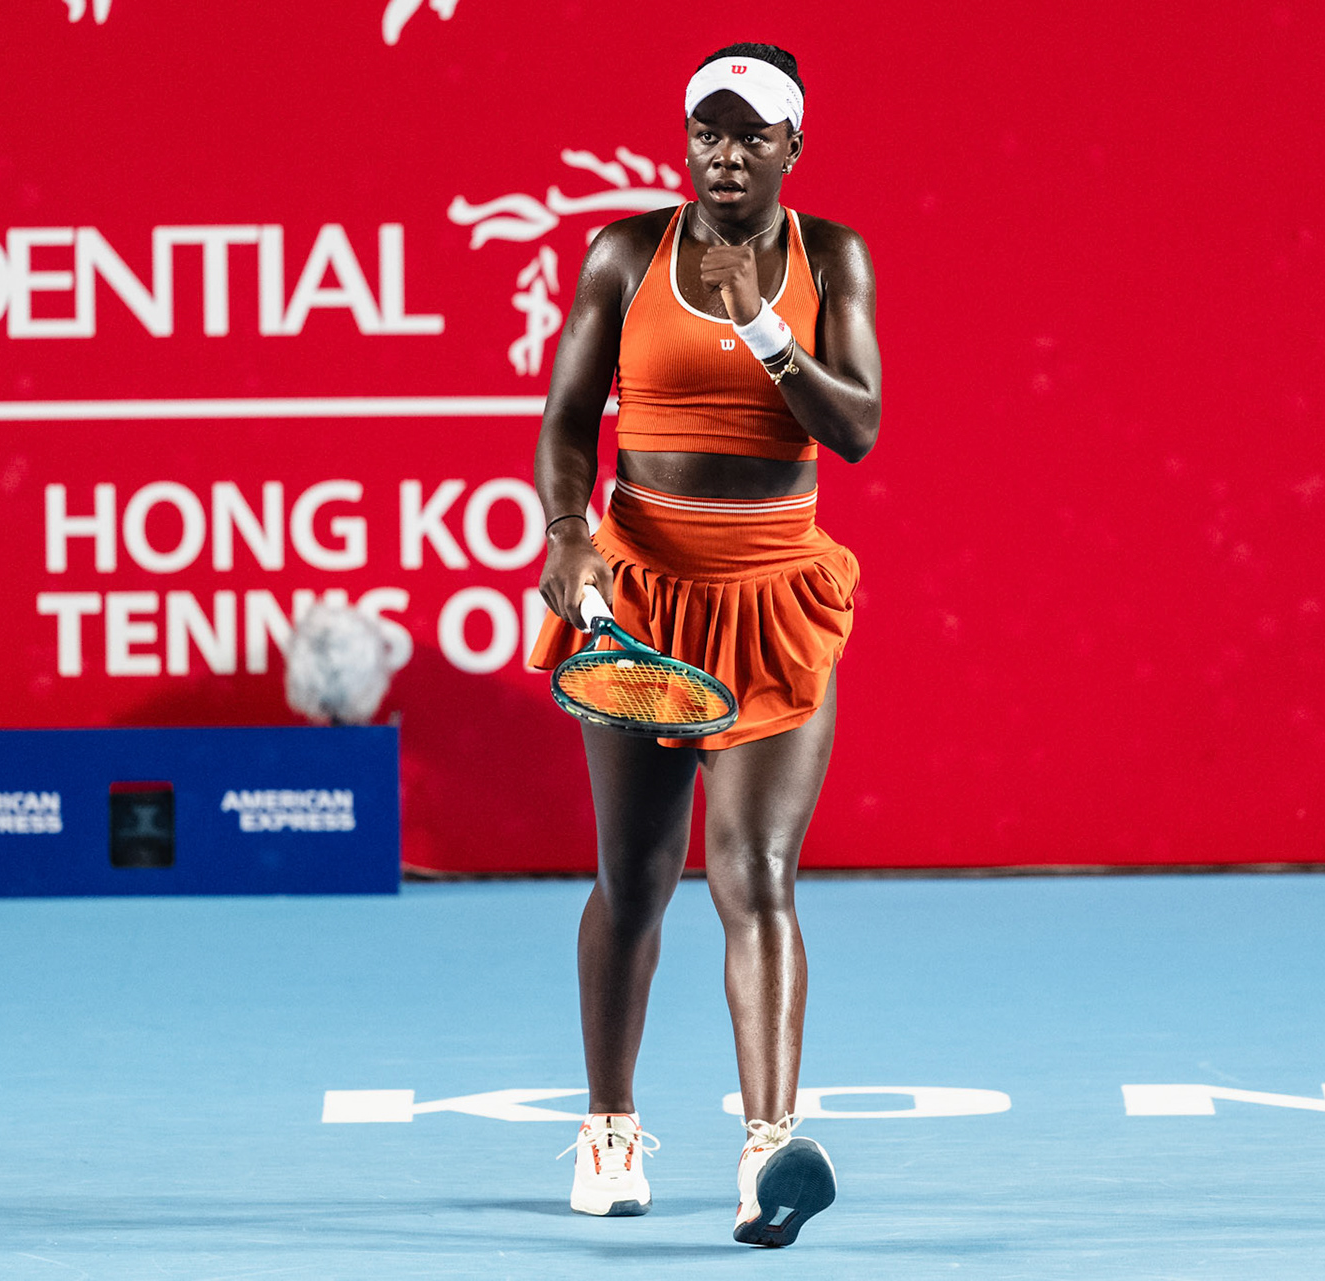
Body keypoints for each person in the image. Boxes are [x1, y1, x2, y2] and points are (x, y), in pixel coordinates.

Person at [530, 41, 881, 1247]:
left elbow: (861, 428)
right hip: (642, 592)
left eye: (751, 136)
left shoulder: (830, 258)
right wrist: (567, 533)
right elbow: (570, 419)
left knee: (755, 874)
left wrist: (764, 331)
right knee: (634, 880)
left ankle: (768, 1156)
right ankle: (610, 1129)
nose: (724, 156)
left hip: (774, 592)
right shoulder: (624, 254)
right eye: (706, 134)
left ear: (793, 147)